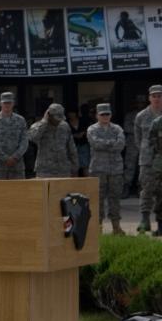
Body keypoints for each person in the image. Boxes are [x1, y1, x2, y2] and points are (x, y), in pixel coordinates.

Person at [87, 103, 126, 235]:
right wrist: (111, 143)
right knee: (98, 199)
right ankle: (98, 227)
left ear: (111, 115)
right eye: (102, 114)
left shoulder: (117, 129)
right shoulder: (92, 129)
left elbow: (120, 145)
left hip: (115, 169)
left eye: (107, 114)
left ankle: (116, 227)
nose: (105, 116)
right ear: (97, 115)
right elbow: (95, 144)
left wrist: (106, 143)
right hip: (98, 169)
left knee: (115, 198)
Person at [133, 85, 162, 233]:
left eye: (159, 96)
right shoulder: (141, 116)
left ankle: (160, 222)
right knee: (146, 189)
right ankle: (145, 220)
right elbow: (137, 139)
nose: (157, 98)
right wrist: (146, 152)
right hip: (147, 160)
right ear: (149, 98)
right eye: (154, 96)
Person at [28, 103, 78, 178]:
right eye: (56, 118)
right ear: (49, 115)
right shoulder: (38, 126)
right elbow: (32, 138)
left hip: (63, 169)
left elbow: (71, 147)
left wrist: (75, 166)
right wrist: (44, 122)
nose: (58, 121)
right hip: (45, 170)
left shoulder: (65, 126)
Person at [0, 91, 29, 179]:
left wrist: (15, 157)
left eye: (9, 102)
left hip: (17, 166)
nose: (7, 105)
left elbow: (24, 141)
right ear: (0, 104)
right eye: (5, 103)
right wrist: (5, 158)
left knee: (19, 191)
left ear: (13, 103)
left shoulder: (20, 120)